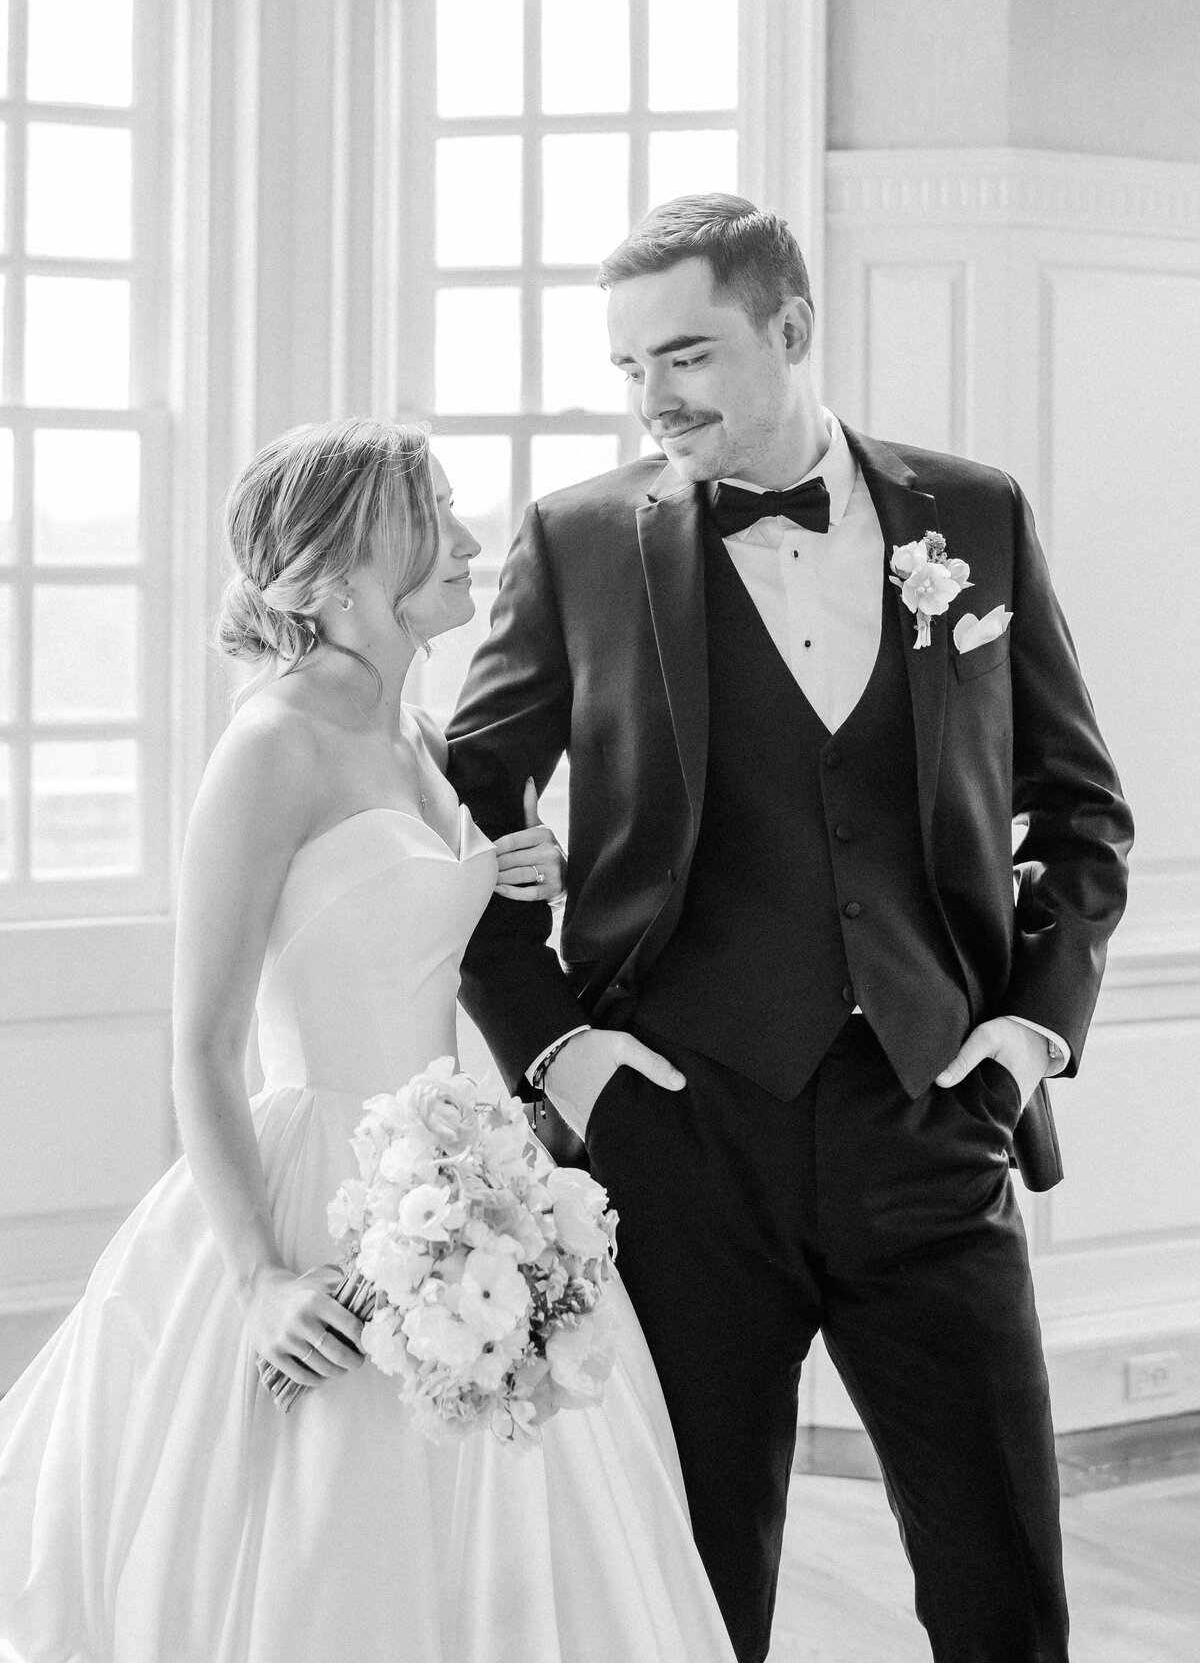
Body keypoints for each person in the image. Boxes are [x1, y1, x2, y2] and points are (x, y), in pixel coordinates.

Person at [445, 195, 1134, 1663]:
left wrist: (1021, 1039)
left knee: (1005, 1585)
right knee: (695, 1599)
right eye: (630, 367)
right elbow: (450, 821)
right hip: (677, 1143)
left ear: (792, 330)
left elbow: (1080, 815)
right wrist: (559, 1054)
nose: (654, 397)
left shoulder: (977, 515)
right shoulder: (577, 543)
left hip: (931, 1125)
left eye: (684, 353)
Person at [0, 418, 737, 1663]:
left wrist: (517, 867)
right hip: (317, 1189)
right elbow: (204, 1042)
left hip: (457, 1168)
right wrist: (259, 1281)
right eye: (430, 517)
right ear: (340, 566)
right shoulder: (270, 747)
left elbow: (416, 921)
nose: (466, 538)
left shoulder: (422, 738)